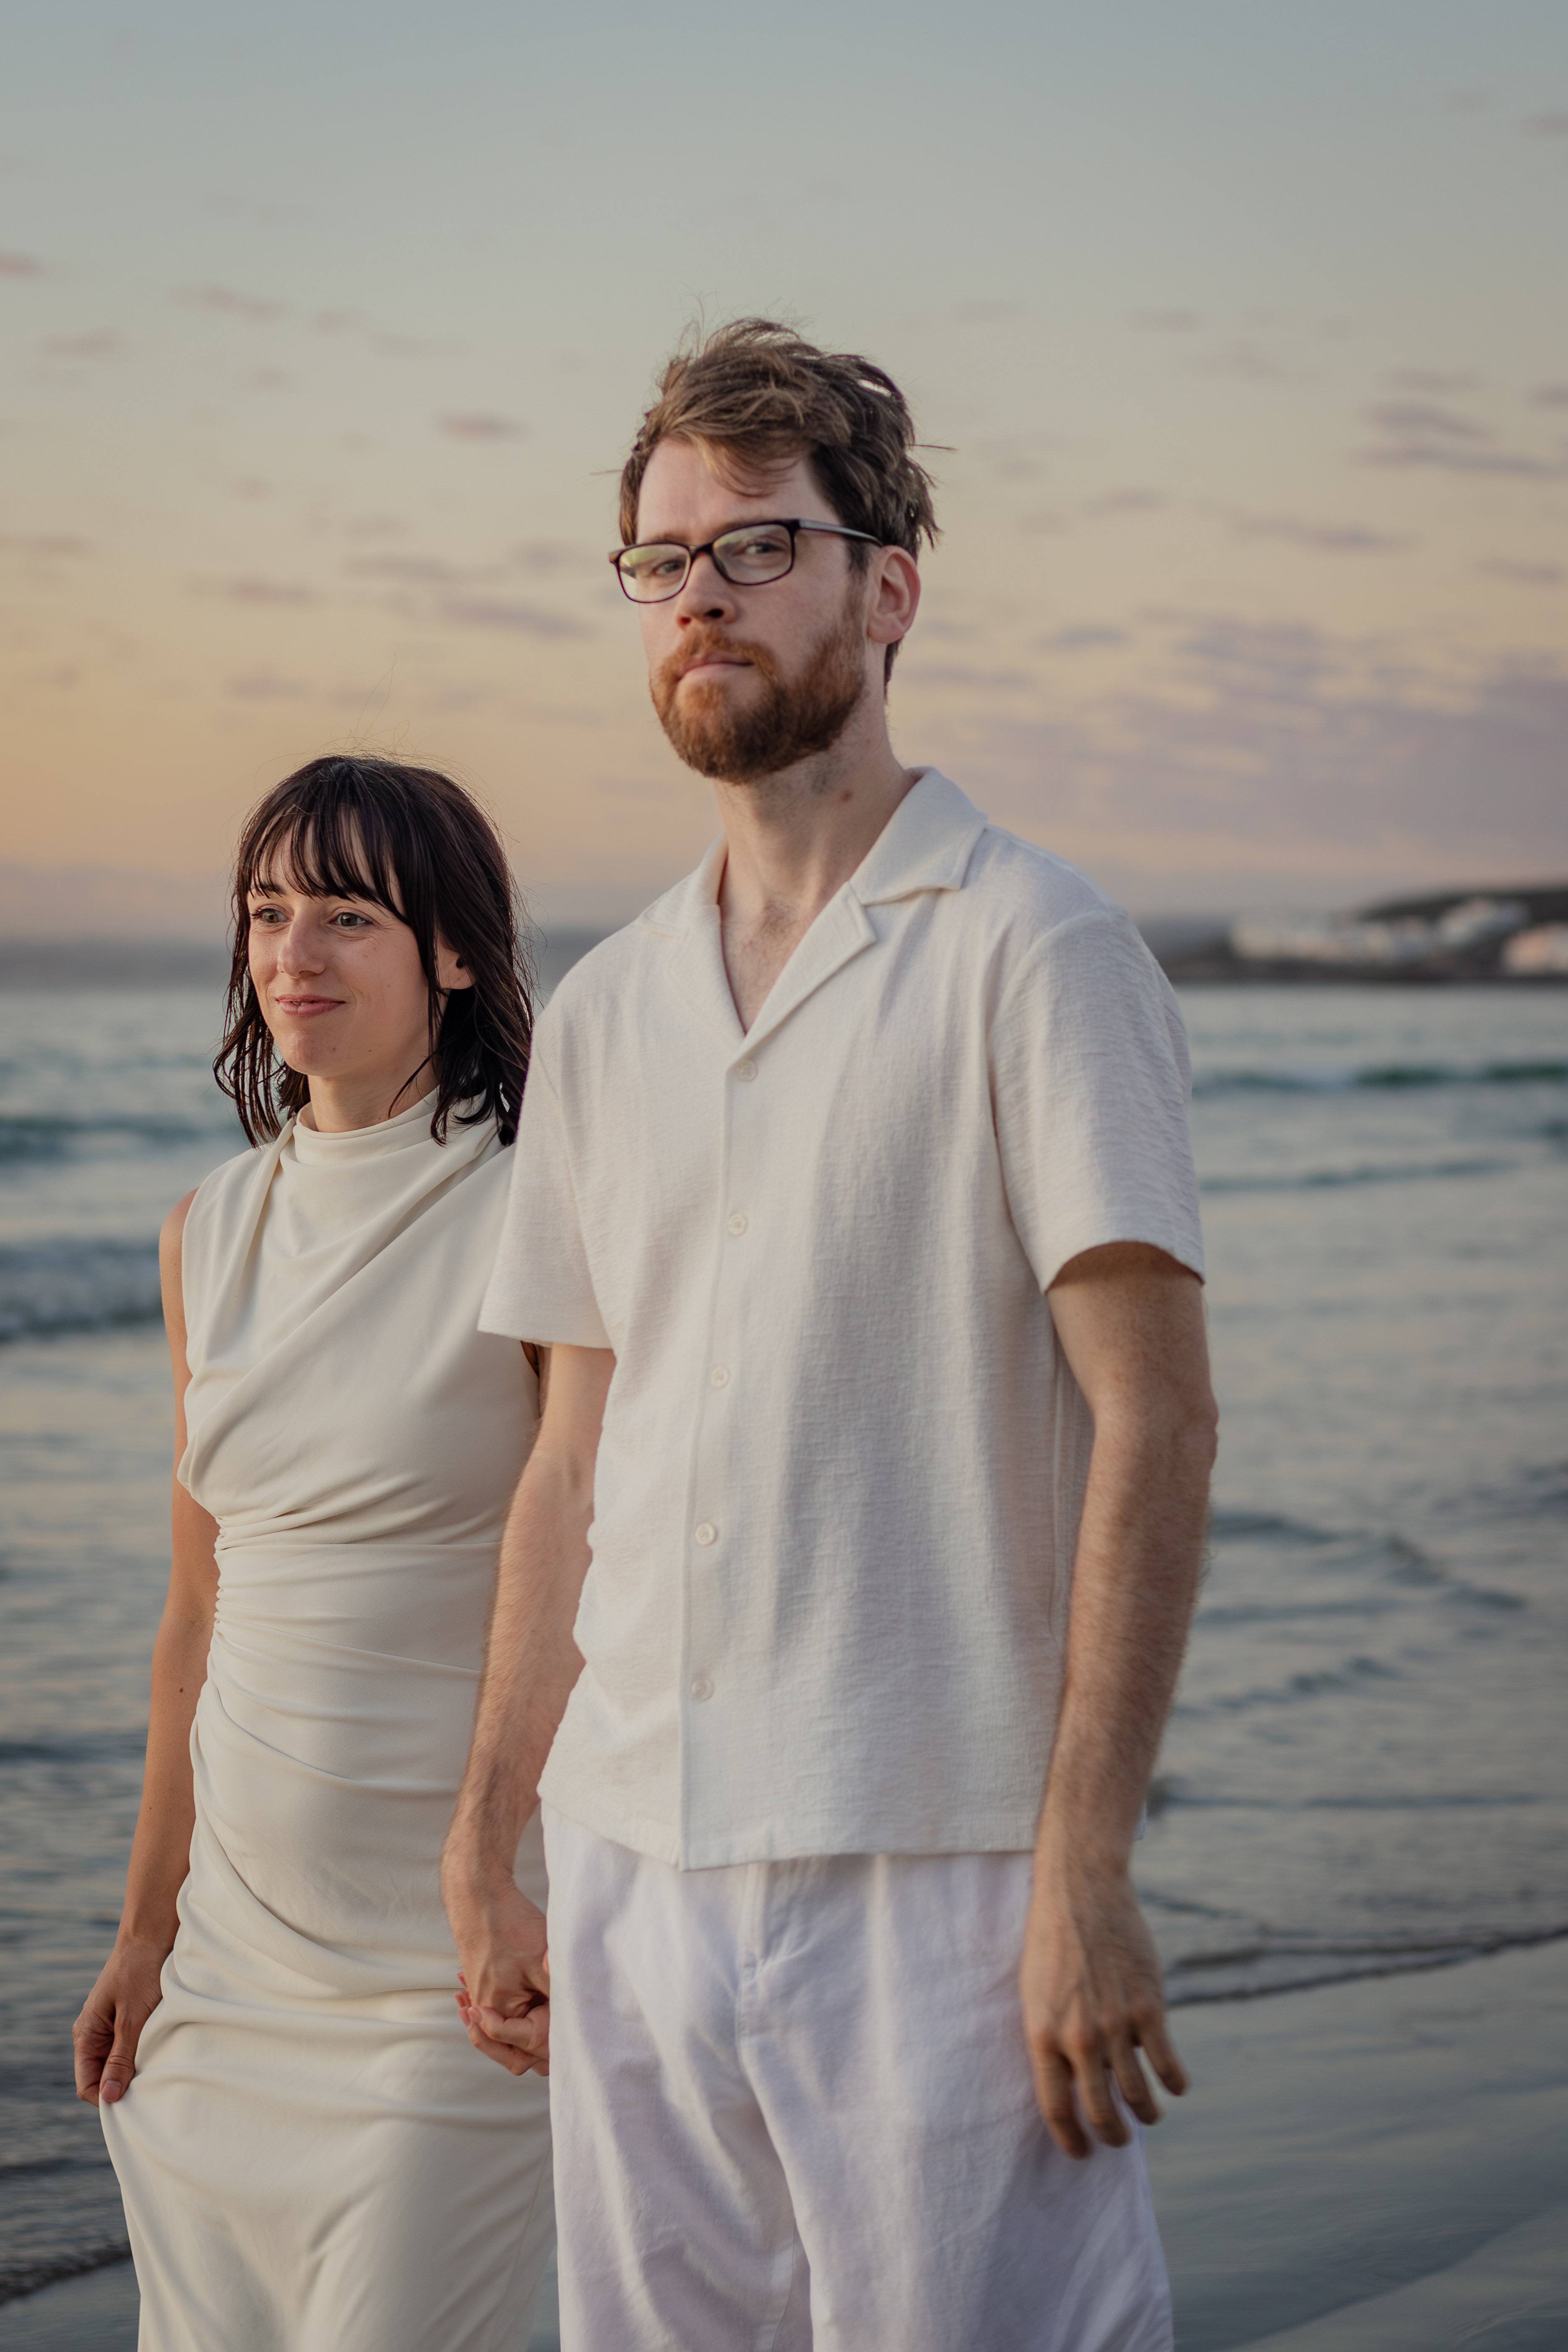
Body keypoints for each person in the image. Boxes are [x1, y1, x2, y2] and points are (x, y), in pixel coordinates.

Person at [443, 321, 1218, 2350]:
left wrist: (1088, 1864)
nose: (698, 590)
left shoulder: (1029, 944)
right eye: (662, 555)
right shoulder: (607, 1012)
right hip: (629, 1861)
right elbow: (568, 1464)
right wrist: (490, 1833)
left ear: (885, 591)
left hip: (938, 1865)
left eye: (758, 543)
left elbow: (1152, 1424)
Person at [74, 757, 555, 2352]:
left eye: (349, 915)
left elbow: (607, 1582)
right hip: (231, 1973)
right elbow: (195, 1617)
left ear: (458, 954)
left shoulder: (541, 1213)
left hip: (456, 1970)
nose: (294, 955)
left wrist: (522, 1890)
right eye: (270, 912)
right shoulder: (205, 1229)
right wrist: (147, 1933)